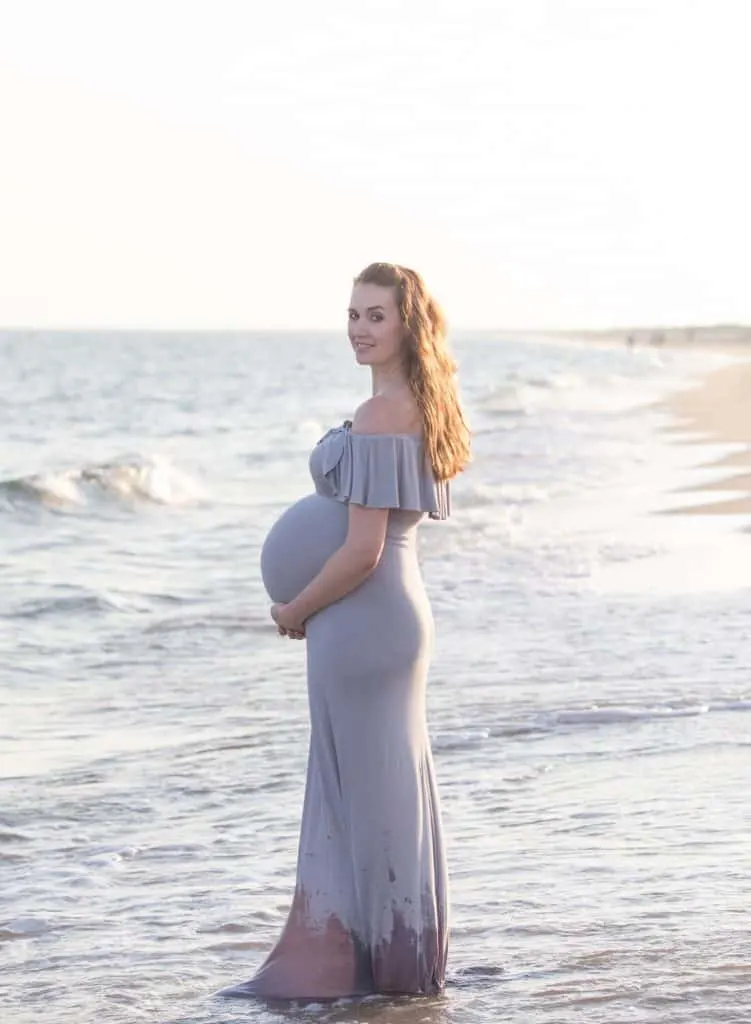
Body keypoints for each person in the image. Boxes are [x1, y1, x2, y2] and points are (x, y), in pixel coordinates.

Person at [220, 262, 471, 1001]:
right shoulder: (414, 401)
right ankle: (398, 966)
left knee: (367, 801)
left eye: (376, 316)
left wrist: (294, 610)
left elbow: (361, 551)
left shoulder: (383, 413)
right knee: (380, 798)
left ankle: (382, 975)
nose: (360, 329)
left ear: (408, 324)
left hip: (363, 623)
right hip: (383, 621)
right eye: (353, 314)